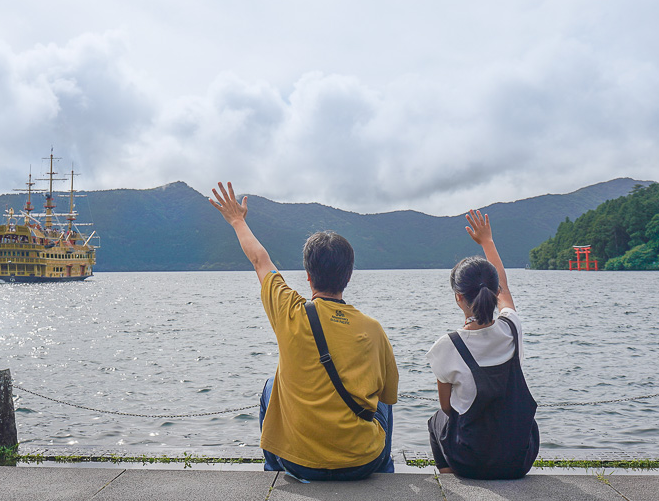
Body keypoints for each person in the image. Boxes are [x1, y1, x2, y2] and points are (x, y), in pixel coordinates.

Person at [209, 182, 398, 481]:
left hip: (299, 463)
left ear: (308, 276)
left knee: (271, 386)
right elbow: (388, 394)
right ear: (348, 276)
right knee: (384, 402)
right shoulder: (373, 329)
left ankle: (273, 470)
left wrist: (237, 220)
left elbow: (260, 260)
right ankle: (387, 476)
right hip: (362, 463)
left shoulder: (290, 311)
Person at [426, 210, 539, 479]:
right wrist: (487, 242)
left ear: (458, 297)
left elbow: (446, 408)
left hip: (471, 463)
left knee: (435, 421)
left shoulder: (448, 345)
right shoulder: (512, 327)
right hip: (519, 460)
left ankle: (450, 479)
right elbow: (506, 291)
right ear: (495, 291)